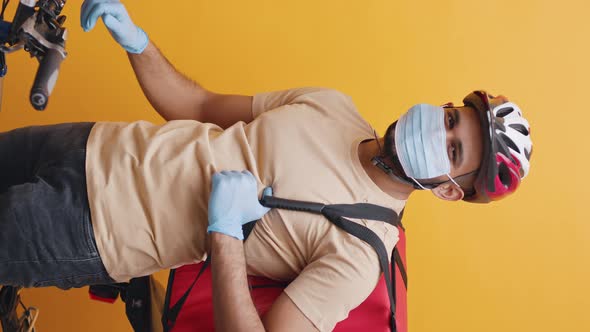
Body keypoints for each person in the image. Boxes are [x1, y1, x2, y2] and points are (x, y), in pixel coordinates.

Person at [0, 1, 533, 331]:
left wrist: (225, 236)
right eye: (449, 119)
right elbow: (202, 107)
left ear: (447, 191)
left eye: (454, 150)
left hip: (95, 230)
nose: (438, 132)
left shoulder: (360, 254)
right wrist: (135, 40)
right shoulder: (332, 105)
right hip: (94, 143)